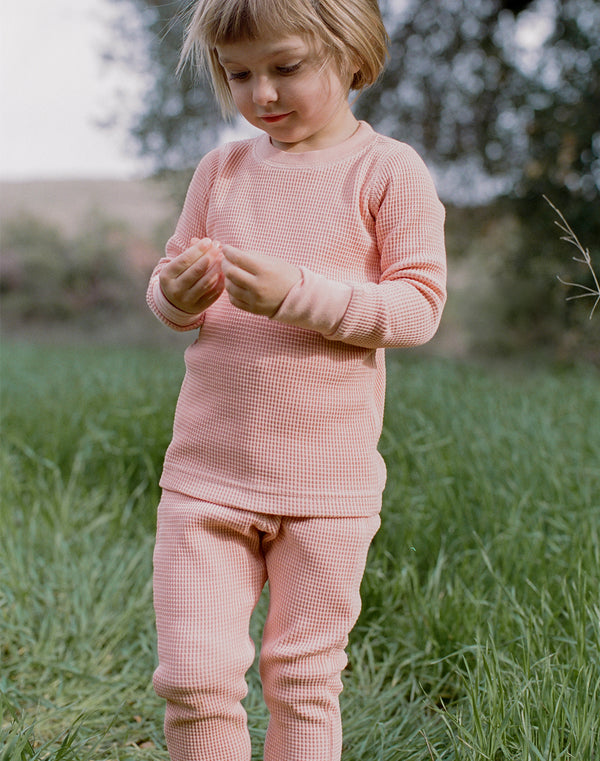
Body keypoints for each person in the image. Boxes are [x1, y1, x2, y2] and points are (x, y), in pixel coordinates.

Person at [146, 0, 446, 758]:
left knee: (304, 679)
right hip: (207, 478)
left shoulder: (388, 171)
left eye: (285, 68)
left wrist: (294, 295)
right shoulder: (221, 170)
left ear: (352, 56)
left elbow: (416, 307)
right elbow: (169, 282)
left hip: (328, 492)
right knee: (194, 676)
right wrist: (174, 295)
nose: (261, 95)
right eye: (238, 73)